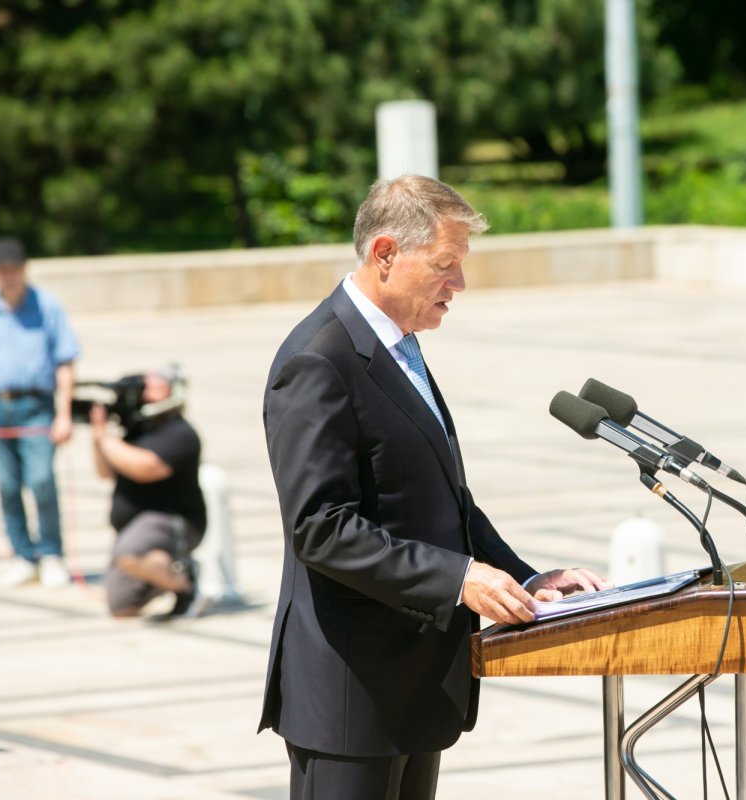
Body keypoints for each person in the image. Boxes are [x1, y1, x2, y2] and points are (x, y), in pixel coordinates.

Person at [260, 175, 609, 800]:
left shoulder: (400, 344)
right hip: (351, 696)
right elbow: (321, 528)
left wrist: (526, 577)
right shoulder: (318, 361)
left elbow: (444, 500)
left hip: (412, 686)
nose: (460, 285)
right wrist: (458, 580)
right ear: (385, 254)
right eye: (445, 266)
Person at [0, 237, 79, 588]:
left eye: (15, 270)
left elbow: (66, 361)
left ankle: (52, 553)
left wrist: (64, 414)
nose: (9, 277)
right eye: (2, 271)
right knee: (7, 486)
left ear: (24, 269)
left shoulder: (47, 306)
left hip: (36, 405)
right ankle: (23, 555)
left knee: (40, 480)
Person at [90, 366, 207, 618]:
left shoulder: (181, 433)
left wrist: (106, 440)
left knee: (130, 553)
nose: (148, 394)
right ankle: (165, 573)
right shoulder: (135, 432)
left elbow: (146, 468)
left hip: (170, 519)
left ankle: (186, 582)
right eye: (146, 388)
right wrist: (98, 437)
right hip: (134, 527)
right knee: (121, 606)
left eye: (156, 387)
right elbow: (105, 472)